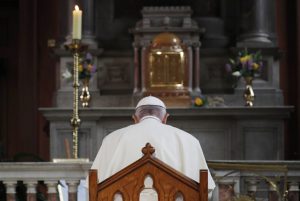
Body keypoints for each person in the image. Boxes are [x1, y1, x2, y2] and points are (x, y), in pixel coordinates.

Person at [90, 95, 215, 192]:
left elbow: (92, 188)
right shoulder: (189, 140)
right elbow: (206, 190)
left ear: (135, 119)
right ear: (165, 118)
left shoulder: (111, 139)